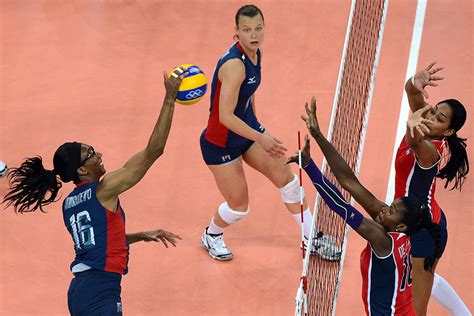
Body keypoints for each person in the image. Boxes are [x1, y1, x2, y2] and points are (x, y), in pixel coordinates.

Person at [2, 68, 185, 315]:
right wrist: (169, 99)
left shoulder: (69, 204)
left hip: (82, 290)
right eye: (90, 154)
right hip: (100, 291)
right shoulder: (105, 189)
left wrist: (140, 235)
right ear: (82, 171)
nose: (98, 155)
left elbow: (99, 241)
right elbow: (154, 151)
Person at [199, 4, 337, 261]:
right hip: (220, 144)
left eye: (258, 28)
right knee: (239, 207)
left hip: (246, 133)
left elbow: (247, 96)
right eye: (247, 30)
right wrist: (259, 136)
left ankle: (310, 238)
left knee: (288, 179)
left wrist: (258, 126)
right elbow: (225, 116)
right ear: (236, 33)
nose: (254, 35)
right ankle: (212, 235)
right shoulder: (234, 66)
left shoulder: (256, 53)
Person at [289, 97, 442, 315]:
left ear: (400, 227)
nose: (383, 210)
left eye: (391, 211)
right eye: (390, 205)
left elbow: (339, 205)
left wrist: (311, 167)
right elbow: (349, 181)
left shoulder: (382, 239)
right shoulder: (399, 232)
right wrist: (318, 136)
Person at [400, 62, 470, 315]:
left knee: (416, 308)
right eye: (433, 111)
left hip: (424, 232)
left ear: (448, 131)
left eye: (440, 118)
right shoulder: (426, 119)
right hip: (416, 219)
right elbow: (412, 94)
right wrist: (413, 83)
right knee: (421, 278)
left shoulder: (431, 150)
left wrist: (416, 115)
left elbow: (413, 136)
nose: (431, 117)